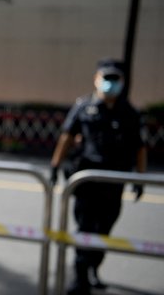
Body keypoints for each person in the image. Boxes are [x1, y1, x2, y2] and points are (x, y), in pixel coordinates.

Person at [49, 58, 147, 295]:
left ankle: (93, 268)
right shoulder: (84, 107)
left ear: (122, 82)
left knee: (105, 229)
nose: (111, 83)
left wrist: (140, 178)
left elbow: (139, 146)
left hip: (114, 183)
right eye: (107, 78)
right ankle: (80, 275)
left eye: (116, 79)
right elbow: (67, 137)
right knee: (85, 227)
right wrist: (55, 165)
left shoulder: (129, 113)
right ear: (96, 79)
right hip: (87, 182)